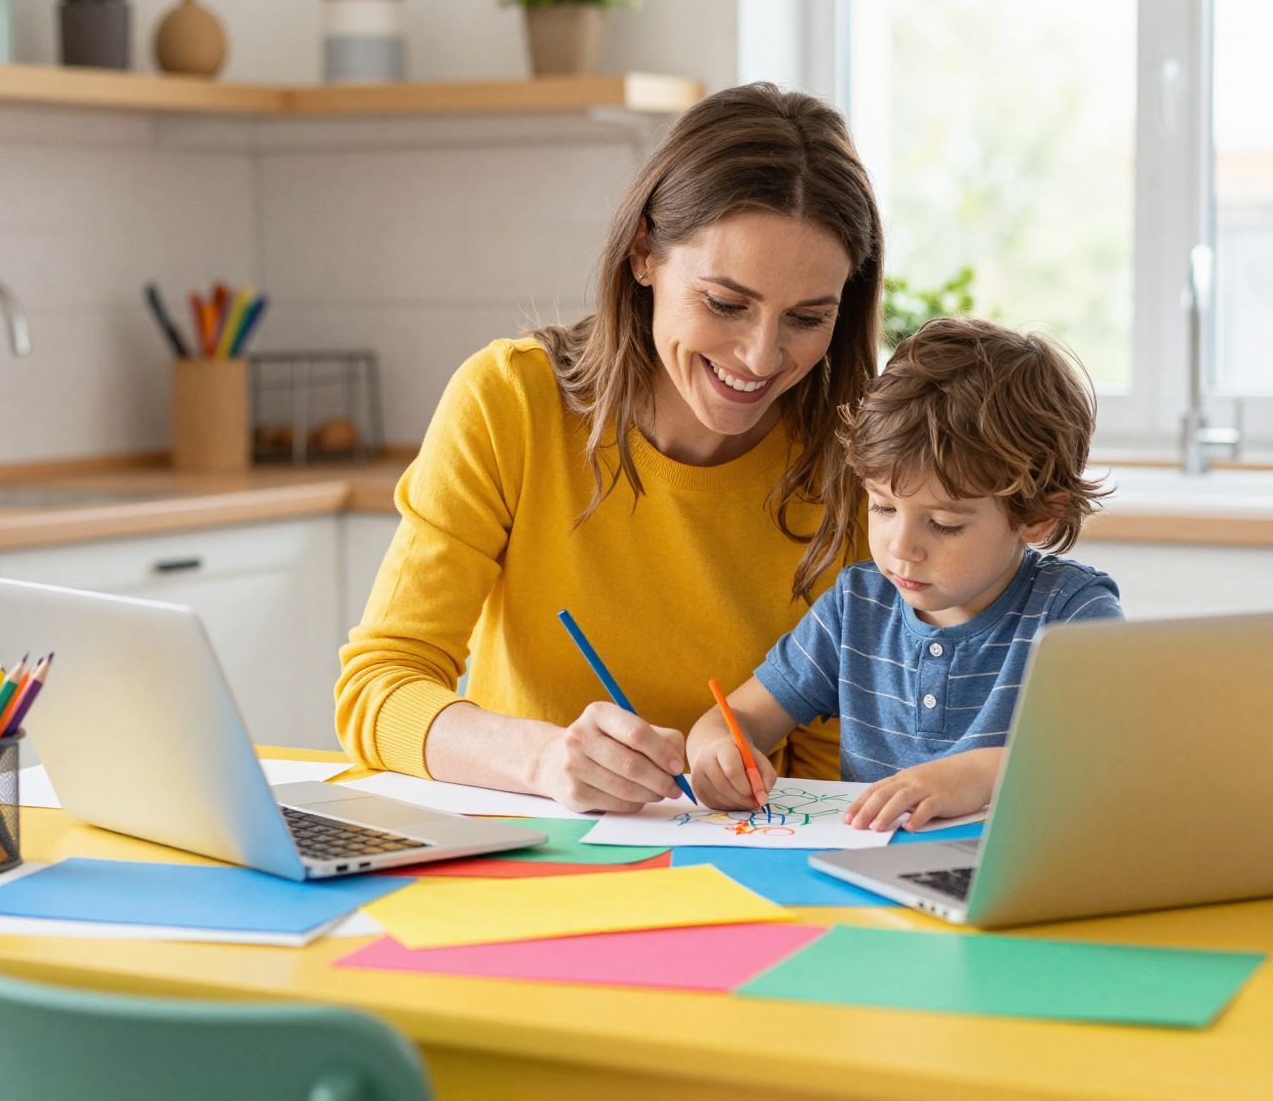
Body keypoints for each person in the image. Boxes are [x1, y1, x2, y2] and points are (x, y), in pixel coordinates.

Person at [334, 83, 884, 812]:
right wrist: (541, 759)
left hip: (747, 859)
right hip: (529, 849)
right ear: (643, 253)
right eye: (725, 303)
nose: (760, 356)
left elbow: (832, 770)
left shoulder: (861, 470)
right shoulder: (510, 403)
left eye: (807, 318)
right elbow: (379, 688)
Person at [686, 317, 1123, 830]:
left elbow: (1110, 758)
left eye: (943, 524)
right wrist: (716, 751)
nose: (900, 548)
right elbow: (736, 718)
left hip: (1018, 866)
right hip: (865, 865)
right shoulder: (856, 606)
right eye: (883, 507)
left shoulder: (1073, 611)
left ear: (1037, 517)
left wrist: (981, 775)